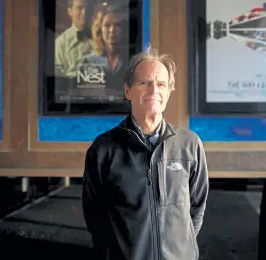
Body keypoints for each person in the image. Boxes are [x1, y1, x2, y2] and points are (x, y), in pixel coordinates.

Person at [82, 47, 209, 260]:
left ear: (169, 91)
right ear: (128, 90)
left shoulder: (190, 144)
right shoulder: (104, 149)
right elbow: (95, 217)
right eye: (144, 83)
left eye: (161, 84)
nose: (154, 90)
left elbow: (197, 208)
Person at [54, 0, 95, 77]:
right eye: (79, 8)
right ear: (70, 11)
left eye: (86, 8)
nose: (84, 12)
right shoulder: (60, 43)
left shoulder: (99, 38)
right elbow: (58, 80)